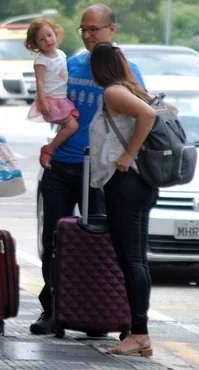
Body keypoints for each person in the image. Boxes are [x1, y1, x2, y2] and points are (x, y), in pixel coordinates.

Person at [31, 3, 145, 335]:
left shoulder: (127, 69)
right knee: (52, 240)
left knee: (107, 242)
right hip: (62, 163)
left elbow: (146, 113)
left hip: (102, 172)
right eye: (84, 29)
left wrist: (128, 155)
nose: (88, 35)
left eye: (95, 29)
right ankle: (52, 308)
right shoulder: (70, 64)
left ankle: (104, 311)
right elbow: (52, 101)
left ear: (112, 30)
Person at [89, 42, 178, 356]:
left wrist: (129, 152)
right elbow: (170, 111)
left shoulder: (113, 92)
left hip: (125, 183)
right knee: (137, 259)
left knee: (131, 260)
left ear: (98, 68)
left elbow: (149, 114)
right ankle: (139, 330)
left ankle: (138, 332)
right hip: (142, 184)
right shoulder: (133, 88)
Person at [24, 19, 79, 169]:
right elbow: (40, 82)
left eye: (49, 35)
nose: (47, 40)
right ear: (36, 45)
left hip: (62, 100)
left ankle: (55, 148)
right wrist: (43, 102)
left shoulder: (61, 54)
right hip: (51, 101)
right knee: (72, 126)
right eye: (42, 39)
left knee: (70, 125)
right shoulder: (41, 61)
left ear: (56, 34)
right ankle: (50, 149)